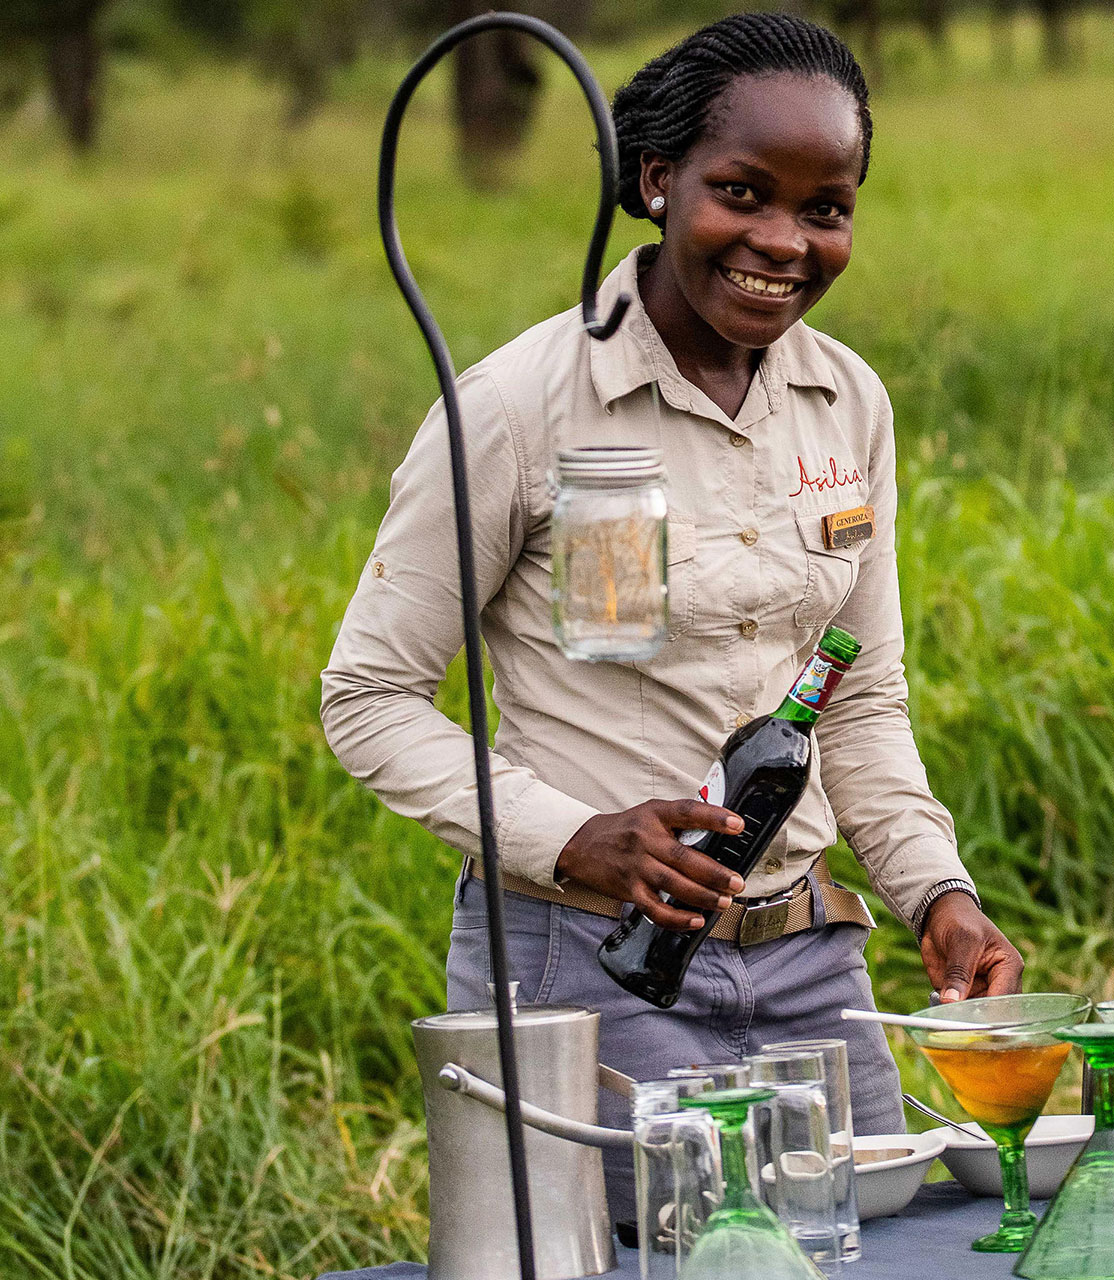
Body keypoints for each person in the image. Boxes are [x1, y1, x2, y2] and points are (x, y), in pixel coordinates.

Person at [321, 11, 1023, 1211]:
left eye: (826, 208)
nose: (782, 242)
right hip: (591, 970)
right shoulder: (519, 408)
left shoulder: (847, 403)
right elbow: (369, 701)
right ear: (655, 180)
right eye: (742, 192)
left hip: (811, 970)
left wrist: (936, 893)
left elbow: (859, 698)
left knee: (869, 1242)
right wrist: (576, 834)